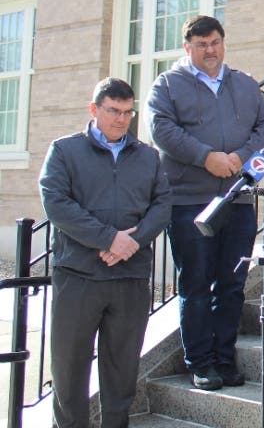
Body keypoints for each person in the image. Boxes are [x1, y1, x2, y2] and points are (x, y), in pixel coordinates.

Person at [147, 15, 264, 390]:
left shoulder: (245, 84)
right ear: (187, 48)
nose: (210, 50)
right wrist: (207, 157)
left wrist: (238, 156)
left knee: (232, 284)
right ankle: (201, 362)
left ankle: (224, 357)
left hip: (237, 200)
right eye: (202, 44)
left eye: (215, 42)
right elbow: (161, 129)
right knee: (197, 283)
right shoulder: (168, 85)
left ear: (223, 43)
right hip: (190, 202)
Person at [39, 77, 172, 428]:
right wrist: (108, 239)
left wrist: (132, 242)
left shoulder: (148, 157)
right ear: (94, 109)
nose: (121, 119)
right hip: (79, 277)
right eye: (113, 111)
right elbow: (56, 203)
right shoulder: (65, 151)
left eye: (128, 112)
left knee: (122, 370)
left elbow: (162, 205)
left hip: (128, 278)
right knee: (69, 370)